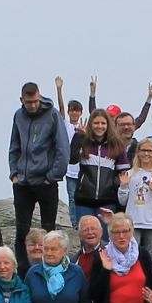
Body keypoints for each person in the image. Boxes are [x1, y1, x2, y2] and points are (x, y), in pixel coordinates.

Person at [9, 81, 70, 271]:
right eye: (28, 102)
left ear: (40, 97)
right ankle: (22, 273)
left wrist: (52, 177)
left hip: (46, 181)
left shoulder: (52, 114)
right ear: (22, 100)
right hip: (23, 182)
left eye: (35, 101)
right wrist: (14, 174)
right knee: (22, 230)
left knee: (49, 231)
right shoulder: (18, 116)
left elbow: (63, 149)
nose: (33, 105)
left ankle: (51, 270)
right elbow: (14, 146)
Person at [70, 109, 130, 231]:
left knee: (105, 237)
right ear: (91, 124)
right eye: (96, 123)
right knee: (87, 235)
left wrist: (113, 185)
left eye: (103, 123)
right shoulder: (83, 141)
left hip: (107, 201)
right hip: (84, 199)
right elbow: (72, 159)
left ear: (108, 125)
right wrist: (79, 136)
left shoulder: (116, 145)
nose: (100, 126)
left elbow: (124, 172)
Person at [118, 138, 152, 268]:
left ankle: (150, 279)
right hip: (133, 220)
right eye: (143, 150)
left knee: (151, 253)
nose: (146, 154)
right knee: (132, 252)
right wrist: (123, 186)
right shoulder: (130, 173)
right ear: (138, 152)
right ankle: (131, 277)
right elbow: (122, 201)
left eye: (150, 151)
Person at [54, 76, 87, 228]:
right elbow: (60, 108)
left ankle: (82, 220)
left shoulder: (84, 127)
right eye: (72, 110)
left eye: (77, 110)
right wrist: (59, 89)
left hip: (82, 168)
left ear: (81, 112)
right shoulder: (65, 124)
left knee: (82, 197)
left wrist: (85, 134)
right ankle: (74, 222)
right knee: (72, 196)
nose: (74, 113)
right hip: (69, 168)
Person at [88, 77, 152, 130]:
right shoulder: (103, 128)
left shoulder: (124, 128)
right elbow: (93, 114)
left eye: (112, 116)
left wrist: (149, 99)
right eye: (108, 115)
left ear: (118, 117)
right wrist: (92, 93)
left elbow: (140, 120)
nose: (109, 118)